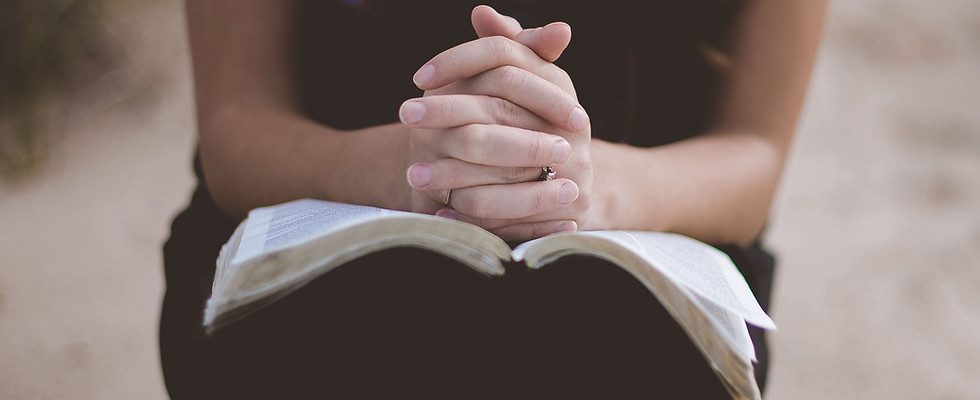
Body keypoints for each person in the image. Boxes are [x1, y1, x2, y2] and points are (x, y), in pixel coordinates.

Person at [162, 1, 825, 398]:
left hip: (644, 260)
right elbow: (236, 127)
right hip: (328, 239)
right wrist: (406, 166)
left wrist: (583, 183)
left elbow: (755, 150)